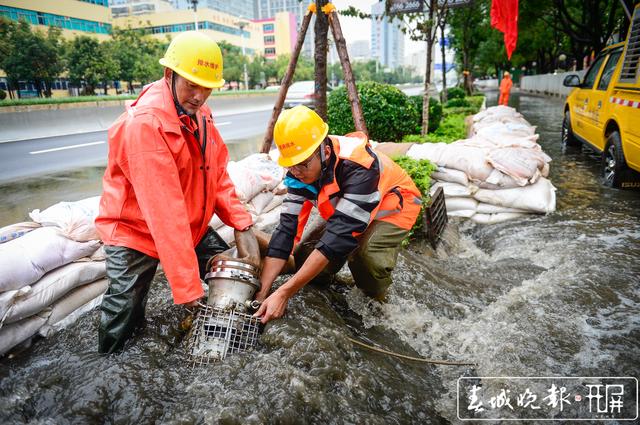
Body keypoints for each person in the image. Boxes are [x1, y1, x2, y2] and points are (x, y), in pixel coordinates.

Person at [95, 31, 253, 354]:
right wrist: (186, 288)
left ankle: (223, 333)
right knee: (125, 315)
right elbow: (164, 214)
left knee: (228, 273)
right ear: (170, 75)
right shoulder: (147, 125)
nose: (199, 95)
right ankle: (107, 363)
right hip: (134, 230)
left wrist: (242, 223)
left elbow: (217, 175)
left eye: (206, 86)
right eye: (191, 84)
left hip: (188, 224)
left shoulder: (201, 114)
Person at [254, 106, 422, 324]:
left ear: (324, 152)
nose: (297, 172)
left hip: (391, 204)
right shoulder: (299, 169)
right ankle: (332, 289)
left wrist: (284, 293)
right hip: (346, 205)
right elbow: (286, 230)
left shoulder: (359, 165)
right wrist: (263, 292)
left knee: (366, 257)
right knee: (307, 256)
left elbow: (337, 238)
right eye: (291, 166)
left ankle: (379, 307)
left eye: (303, 164)